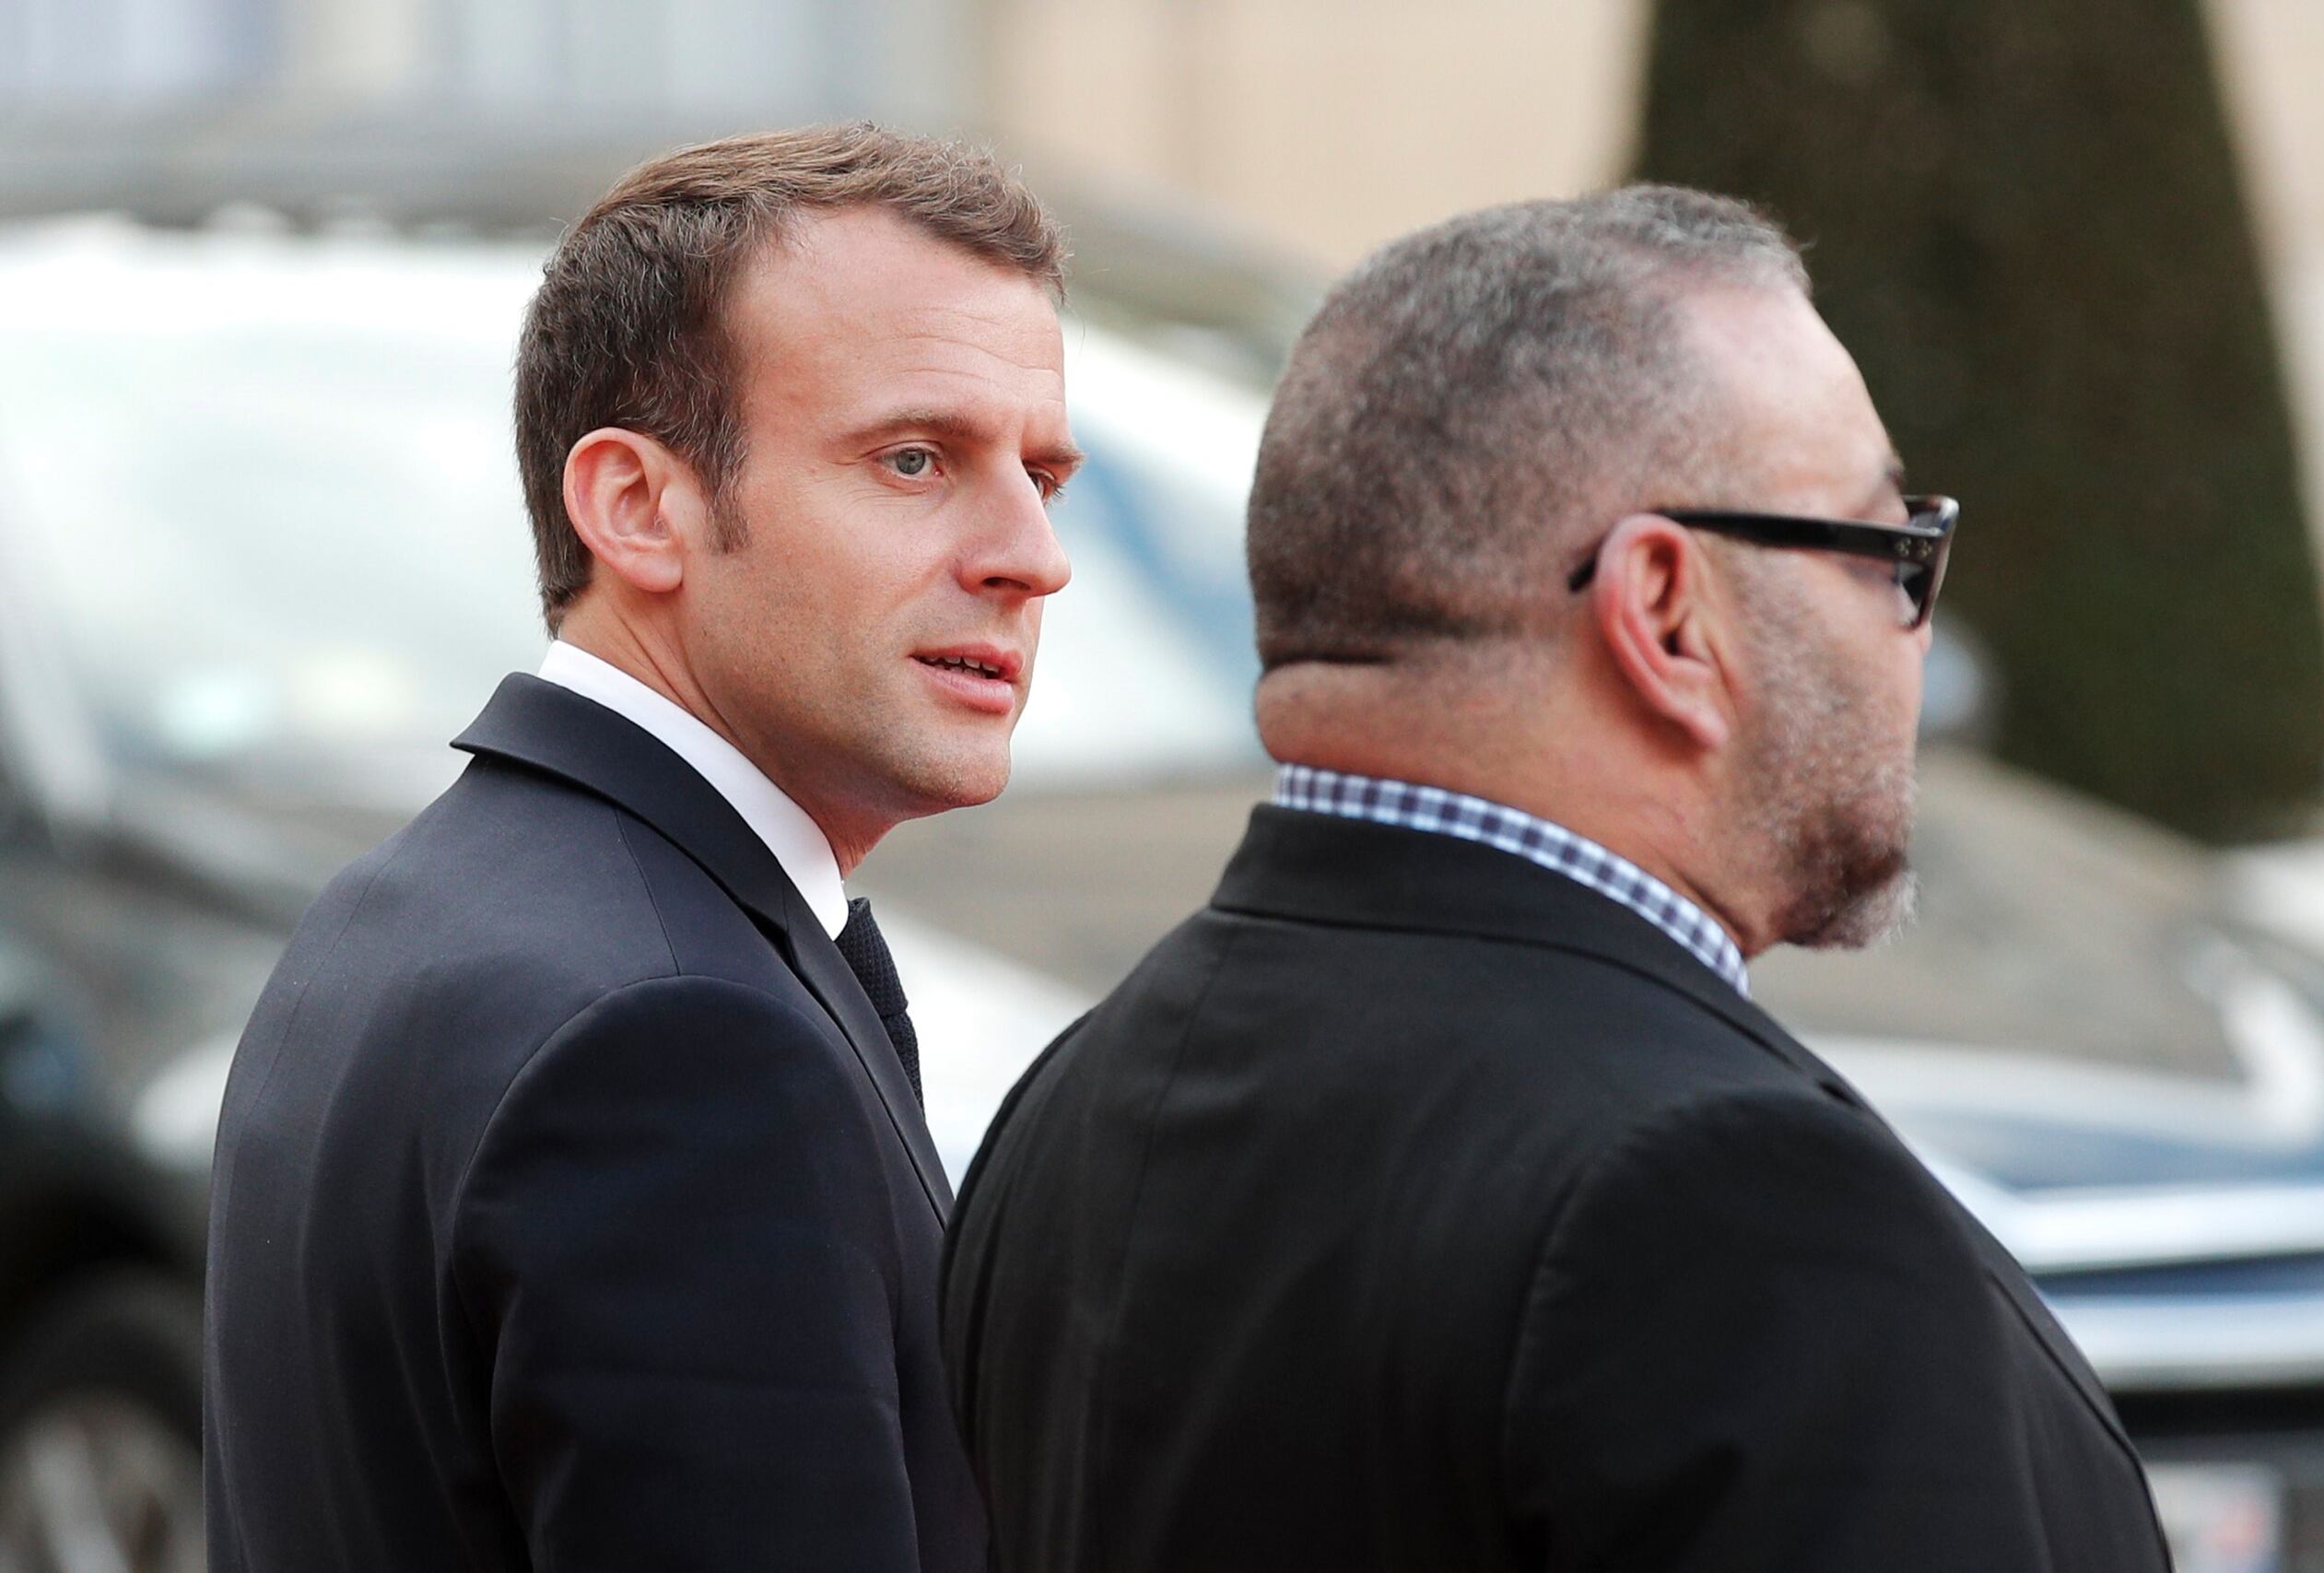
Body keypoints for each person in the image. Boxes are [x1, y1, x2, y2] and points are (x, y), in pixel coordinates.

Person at [941, 187, 2170, 1571]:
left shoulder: (1076, 1103)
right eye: (1890, 554)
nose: (1917, 640)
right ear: (1664, 612)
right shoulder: (1732, 1203)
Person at [205, 123, 1077, 1573]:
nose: (1029, 555)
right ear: (635, 507)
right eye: (916, 458)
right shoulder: (676, 1044)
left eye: (1043, 477)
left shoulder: (410, 908)